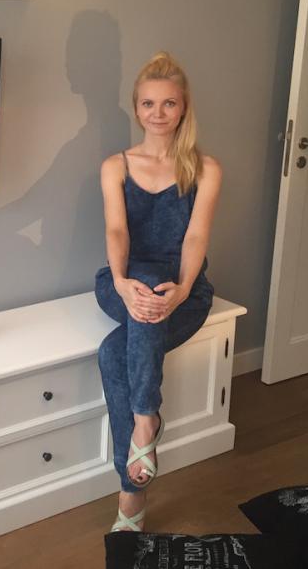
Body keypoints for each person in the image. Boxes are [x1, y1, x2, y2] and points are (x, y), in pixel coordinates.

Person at [94, 51, 221, 532]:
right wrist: (122, 283)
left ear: (183, 108)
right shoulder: (116, 166)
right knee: (143, 292)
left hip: (183, 289)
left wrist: (183, 290)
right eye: (148, 103)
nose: (158, 113)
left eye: (169, 103)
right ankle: (147, 418)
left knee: (113, 353)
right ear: (136, 108)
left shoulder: (205, 168)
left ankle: (131, 494)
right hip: (122, 282)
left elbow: (196, 237)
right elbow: (116, 231)